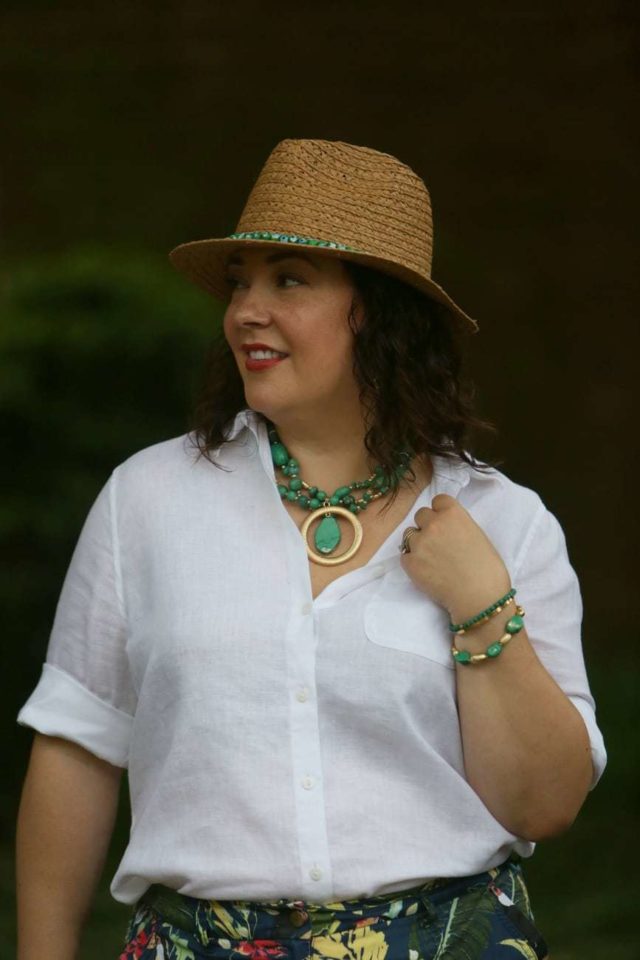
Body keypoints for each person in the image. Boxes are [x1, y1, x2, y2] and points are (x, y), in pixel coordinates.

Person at [16, 138, 606, 960]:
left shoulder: (505, 523)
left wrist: (483, 605)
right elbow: (77, 748)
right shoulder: (148, 498)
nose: (246, 311)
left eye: (289, 279)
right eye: (240, 283)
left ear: (384, 314)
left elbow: (544, 806)